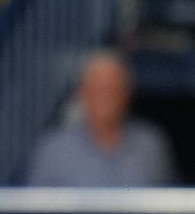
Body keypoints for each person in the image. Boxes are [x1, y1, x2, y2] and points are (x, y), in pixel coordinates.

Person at [25, 50, 177, 187]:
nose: (105, 99)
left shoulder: (150, 145)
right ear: (83, 94)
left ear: (126, 95)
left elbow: (165, 208)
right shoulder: (54, 149)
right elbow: (35, 212)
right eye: (98, 90)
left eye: (112, 90)